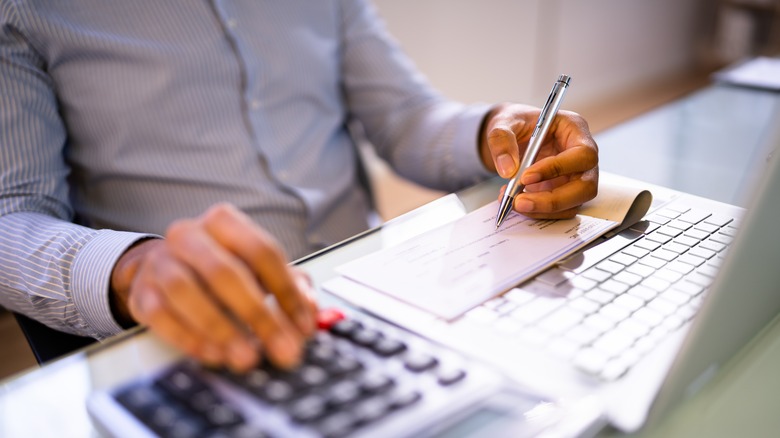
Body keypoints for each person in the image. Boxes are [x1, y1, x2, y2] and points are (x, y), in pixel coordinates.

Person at [0, 1, 598, 372]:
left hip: (381, 303)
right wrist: (133, 267)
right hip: (207, 337)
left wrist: (497, 134)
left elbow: (403, 116)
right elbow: (11, 215)